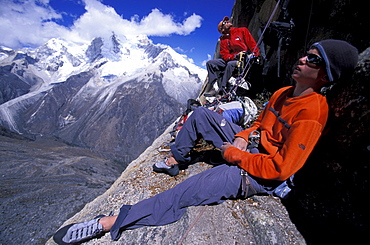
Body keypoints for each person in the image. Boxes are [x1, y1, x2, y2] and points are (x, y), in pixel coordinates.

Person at [53, 39, 358, 244]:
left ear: (325, 75)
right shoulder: (281, 94)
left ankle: (109, 223)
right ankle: (176, 159)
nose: (302, 59)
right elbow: (255, 126)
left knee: (187, 191)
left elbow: (281, 168)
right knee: (201, 116)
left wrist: (234, 155)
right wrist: (238, 139)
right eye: (306, 53)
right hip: (249, 151)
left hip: (259, 174)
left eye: (313, 59)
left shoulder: (312, 114)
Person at [205, 16, 260, 96]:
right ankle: (214, 87)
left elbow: (252, 44)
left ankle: (222, 89)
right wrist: (234, 56)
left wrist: (255, 54)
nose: (227, 22)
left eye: (227, 21)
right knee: (210, 63)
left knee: (230, 64)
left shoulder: (242, 31)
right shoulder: (223, 40)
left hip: (243, 58)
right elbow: (225, 55)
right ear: (222, 29)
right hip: (232, 58)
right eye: (224, 22)